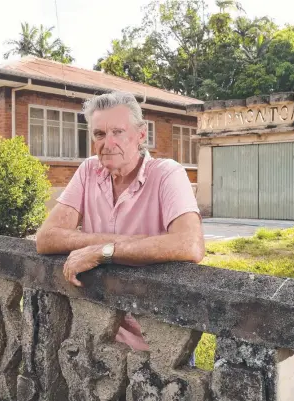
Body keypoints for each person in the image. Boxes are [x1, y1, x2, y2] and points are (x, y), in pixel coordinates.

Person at [36, 91, 205, 352]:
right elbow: (46, 238)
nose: (108, 143)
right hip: (97, 332)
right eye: (100, 134)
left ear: (140, 135)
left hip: (157, 341)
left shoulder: (167, 174)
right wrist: (127, 243)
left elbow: (190, 245)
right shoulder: (88, 171)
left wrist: (104, 252)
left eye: (118, 132)